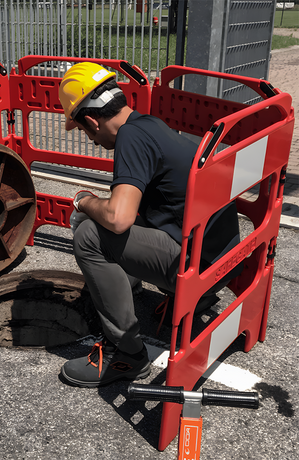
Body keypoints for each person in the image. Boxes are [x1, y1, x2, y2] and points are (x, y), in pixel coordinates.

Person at [57, 62, 242, 388]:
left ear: (90, 120)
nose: (90, 139)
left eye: (84, 131)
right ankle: (137, 294)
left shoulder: (130, 139)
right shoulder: (148, 124)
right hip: (222, 254)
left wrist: (82, 201)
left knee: (89, 233)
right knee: (116, 213)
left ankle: (125, 352)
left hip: (200, 267)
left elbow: (118, 218)